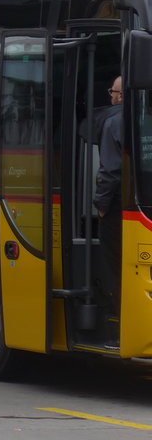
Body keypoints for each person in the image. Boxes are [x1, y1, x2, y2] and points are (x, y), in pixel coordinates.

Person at [92, 76, 123, 343]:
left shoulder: (113, 121)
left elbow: (110, 172)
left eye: (112, 92)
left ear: (121, 96)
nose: (110, 96)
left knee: (114, 266)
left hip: (115, 207)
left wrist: (101, 206)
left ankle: (119, 325)